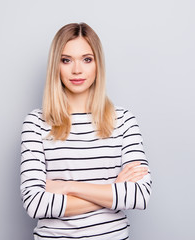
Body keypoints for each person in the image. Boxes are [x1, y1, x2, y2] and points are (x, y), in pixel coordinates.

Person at [20, 22, 152, 240]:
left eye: (87, 59)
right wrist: (112, 190)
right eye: (66, 60)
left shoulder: (123, 120)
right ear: (56, 65)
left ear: (98, 64)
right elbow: (35, 204)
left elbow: (139, 196)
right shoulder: (36, 123)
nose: (77, 70)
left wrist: (67, 187)